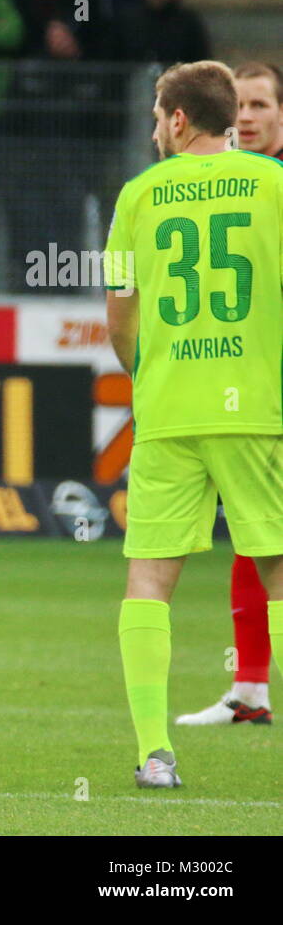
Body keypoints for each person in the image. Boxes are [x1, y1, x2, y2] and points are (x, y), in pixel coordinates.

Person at [104, 60, 283, 788]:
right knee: (277, 570)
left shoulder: (138, 196)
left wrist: (148, 370)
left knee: (148, 579)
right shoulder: (275, 186)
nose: (154, 126)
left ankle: (154, 754)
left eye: (157, 114)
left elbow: (120, 311)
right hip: (256, 407)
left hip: (169, 410)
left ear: (179, 120)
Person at [176, 61, 283, 727]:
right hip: (243, 388)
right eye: (239, 104)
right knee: (255, 535)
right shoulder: (220, 187)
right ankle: (249, 686)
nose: (247, 115)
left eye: (261, 104)